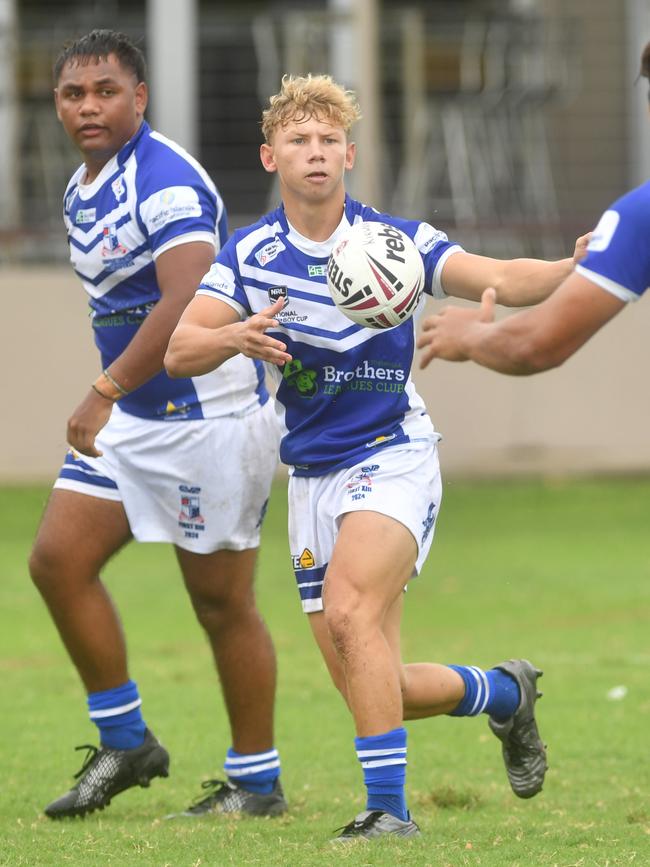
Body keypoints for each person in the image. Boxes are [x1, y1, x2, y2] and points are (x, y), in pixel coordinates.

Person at [164, 74, 586, 841]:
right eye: (299, 140)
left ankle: (388, 813)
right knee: (374, 680)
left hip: (394, 452)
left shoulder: (396, 244)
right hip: (313, 475)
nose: (316, 152)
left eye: (329, 140)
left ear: (350, 153)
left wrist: (569, 270)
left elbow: (494, 274)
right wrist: (234, 335)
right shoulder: (250, 255)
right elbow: (180, 346)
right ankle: (501, 693)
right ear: (270, 156)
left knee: (353, 611)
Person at [29, 30, 286, 820]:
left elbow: (183, 299)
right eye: (74, 94)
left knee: (219, 603)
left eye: (105, 91)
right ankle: (126, 740)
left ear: (139, 98)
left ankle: (257, 781)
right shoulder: (83, 185)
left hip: (208, 420)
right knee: (56, 562)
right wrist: (117, 395)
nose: (88, 106)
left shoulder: (168, 181)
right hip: (134, 420)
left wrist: (104, 386)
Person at [416, 50, 650, 376]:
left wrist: (469, 335)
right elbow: (504, 281)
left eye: (329, 139)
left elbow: (534, 344)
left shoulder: (641, 214)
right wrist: (577, 267)